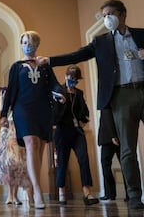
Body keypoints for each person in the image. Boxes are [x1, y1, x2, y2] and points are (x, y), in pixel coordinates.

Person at [37, 0, 144, 209]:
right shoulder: (100, 42)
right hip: (121, 95)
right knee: (127, 149)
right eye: (103, 15)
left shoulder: (141, 34)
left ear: (122, 14)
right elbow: (78, 54)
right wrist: (50, 60)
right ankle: (134, 196)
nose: (106, 19)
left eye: (110, 13)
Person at [0, 31, 65, 209]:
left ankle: (32, 186)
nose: (29, 45)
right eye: (25, 42)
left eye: (32, 41)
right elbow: (11, 90)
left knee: (39, 148)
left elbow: (54, 83)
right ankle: (37, 190)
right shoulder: (17, 67)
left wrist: (60, 93)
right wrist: (4, 114)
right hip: (23, 108)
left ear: (37, 44)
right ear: (21, 44)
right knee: (31, 142)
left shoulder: (44, 65)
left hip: (43, 108)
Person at [52, 65, 99, 206]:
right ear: (66, 76)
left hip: (77, 132)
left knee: (84, 159)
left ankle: (87, 192)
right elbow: (54, 116)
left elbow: (85, 111)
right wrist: (63, 102)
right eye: (71, 77)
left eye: (75, 79)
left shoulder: (79, 93)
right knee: (62, 162)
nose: (73, 80)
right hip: (62, 132)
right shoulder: (58, 91)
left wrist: (82, 122)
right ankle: (62, 193)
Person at [0, 88, 31, 206]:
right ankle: (10, 195)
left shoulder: (20, 100)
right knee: (8, 165)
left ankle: (15, 194)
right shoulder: (6, 102)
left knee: (17, 164)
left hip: (17, 134)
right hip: (6, 134)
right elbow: (2, 111)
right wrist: (1, 98)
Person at [98, 108, 128, 202]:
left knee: (122, 164)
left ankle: (111, 194)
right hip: (112, 136)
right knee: (123, 164)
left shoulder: (106, 101)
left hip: (111, 137)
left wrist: (112, 135)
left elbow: (107, 117)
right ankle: (112, 194)